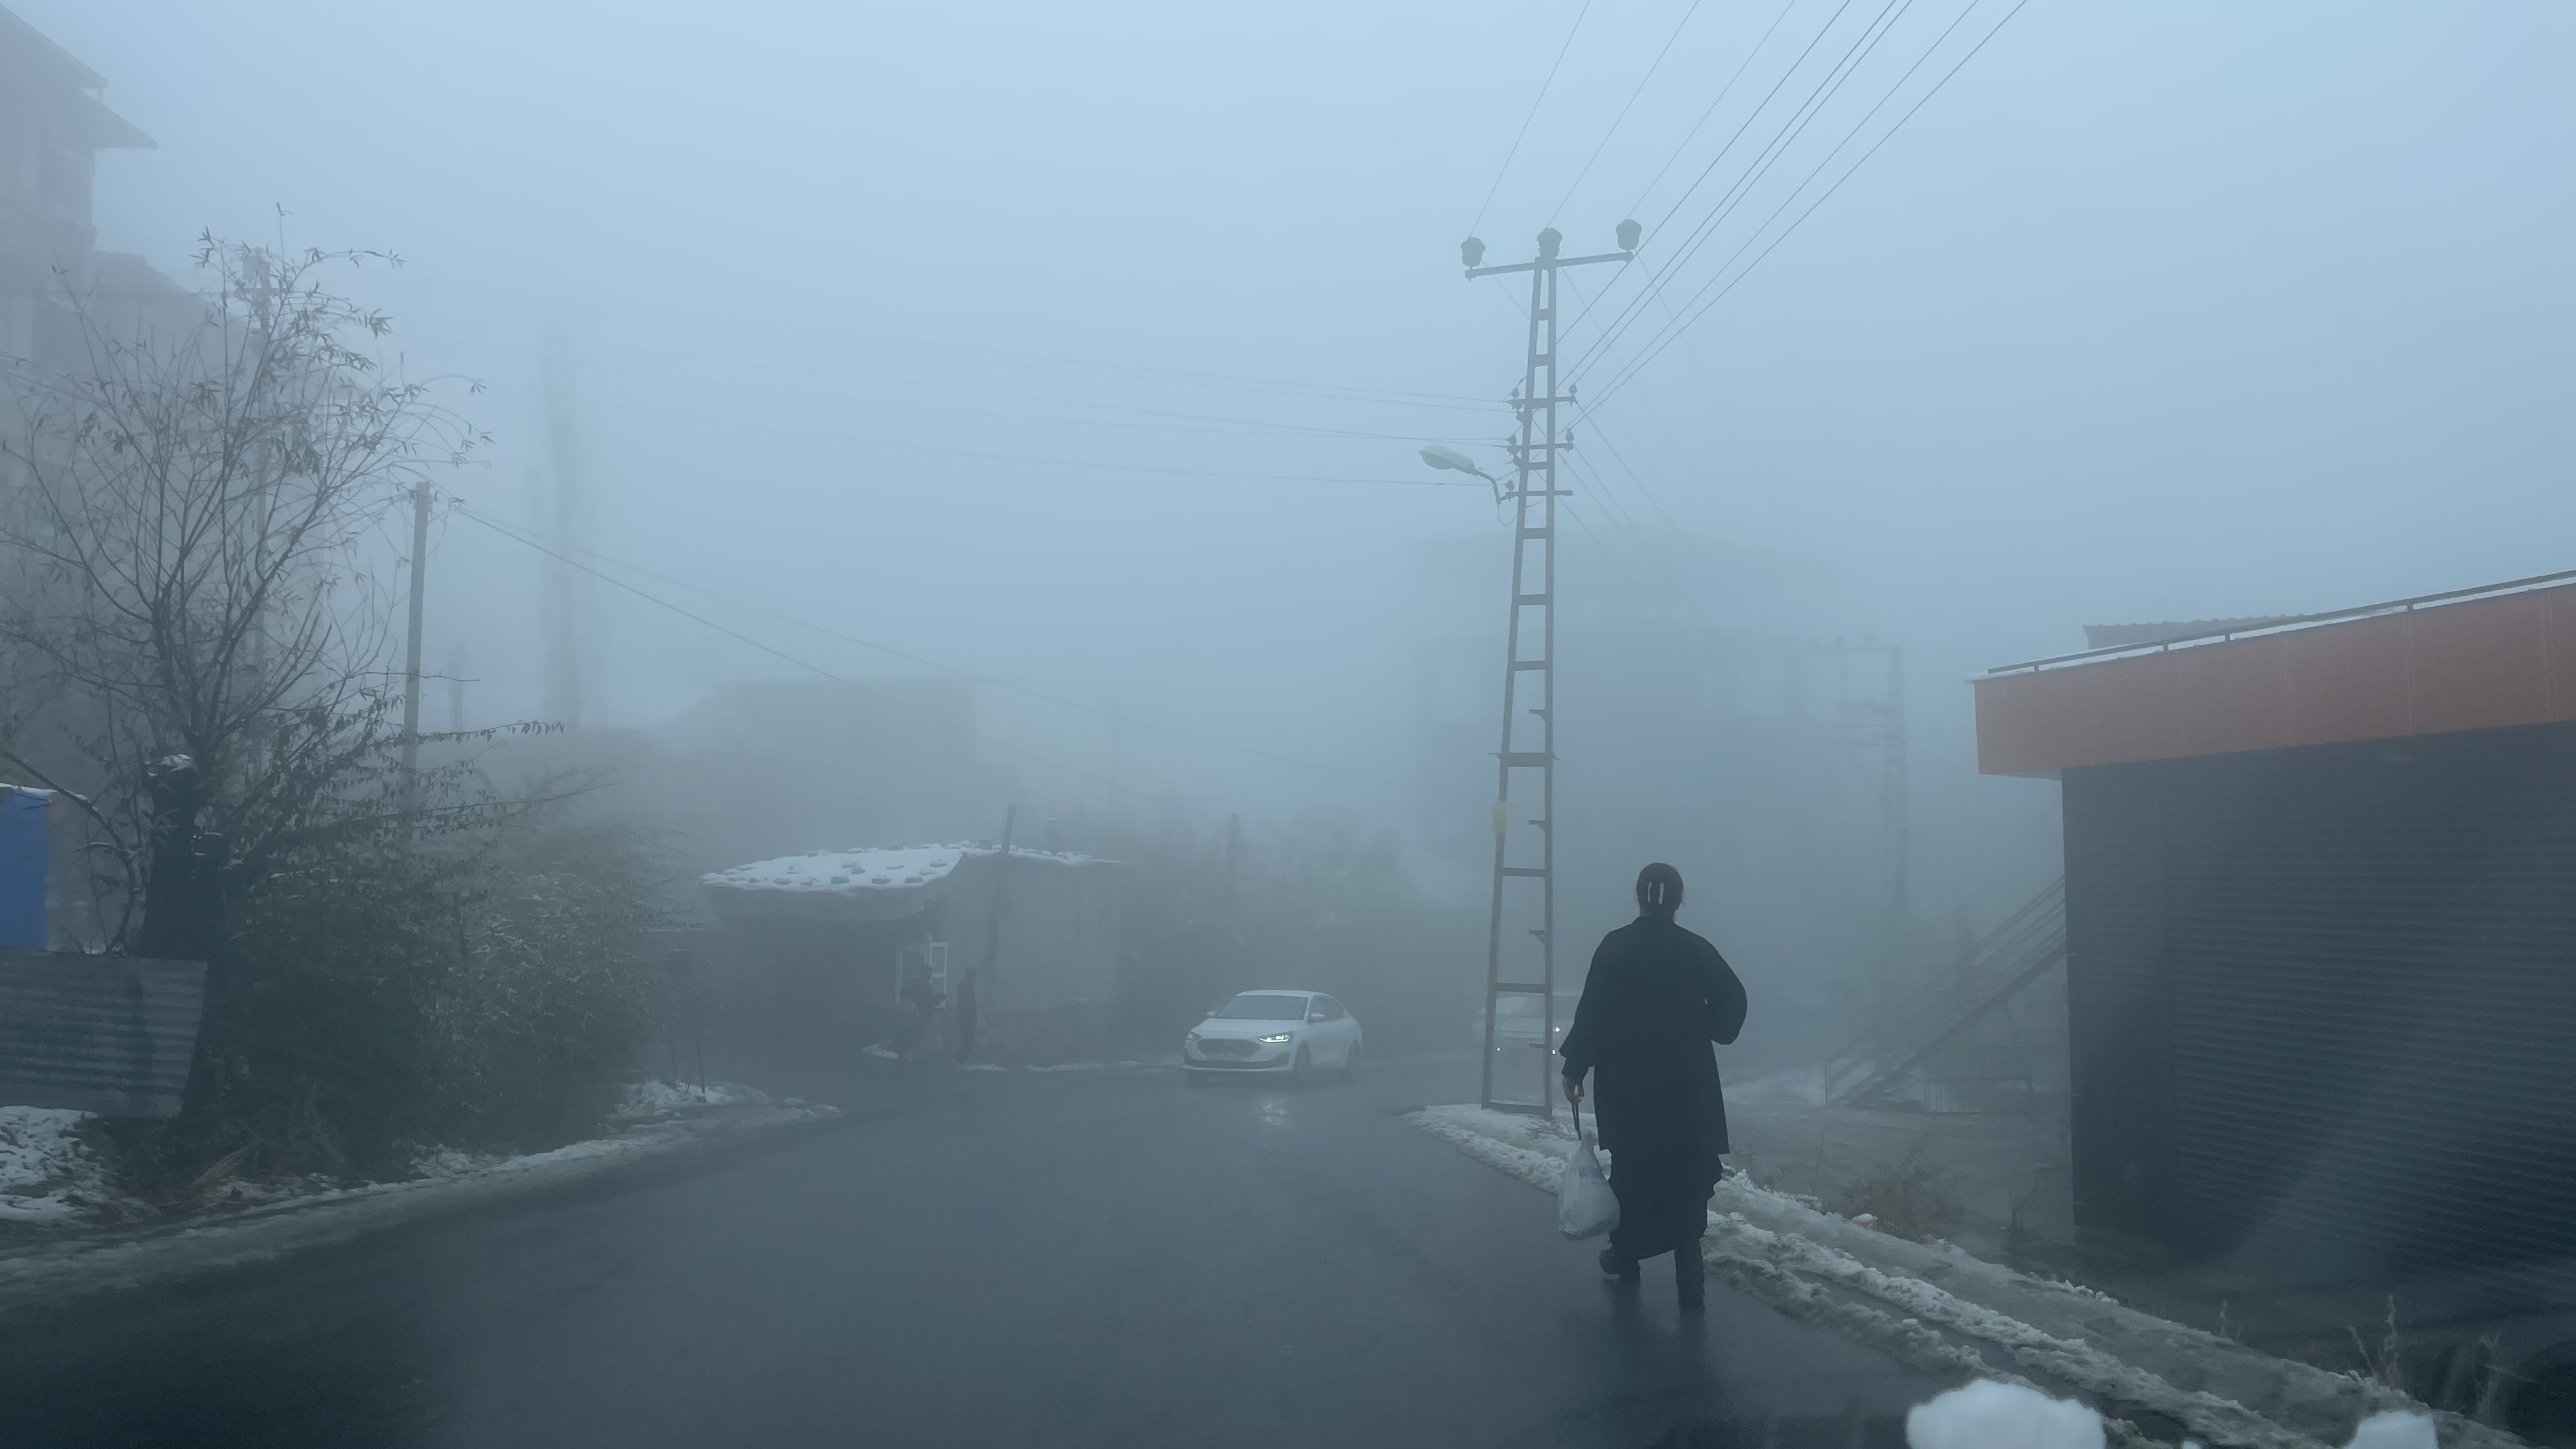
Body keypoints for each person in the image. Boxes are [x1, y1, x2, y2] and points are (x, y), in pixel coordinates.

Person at [1556, 862, 1749, 1310]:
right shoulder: (1696, 950)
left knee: (1631, 1172)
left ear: (1638, 896)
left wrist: (1575, 1067)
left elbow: (1593, 1013)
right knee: (1686, 1174)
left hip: (1628, 1089)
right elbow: (1733, 999)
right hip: (1689, 1089)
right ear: (1679, 902)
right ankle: (1689, 1271)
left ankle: (1625, 1258)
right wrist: (1711, 1026)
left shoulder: (1615, 947)